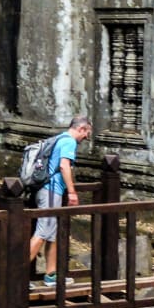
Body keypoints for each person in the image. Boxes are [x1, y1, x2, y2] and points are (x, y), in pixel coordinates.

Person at [29, 116, 94, 287]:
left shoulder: (59, 138)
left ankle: (51, 275)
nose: (86, 137)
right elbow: (64, 166)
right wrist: (72, 192)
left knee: (52, 234)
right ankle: (16, 275)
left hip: (48, 190)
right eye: (86, 133)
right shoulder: (69, 142)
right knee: (42, 233)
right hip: (51, 190)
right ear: (81, 129)